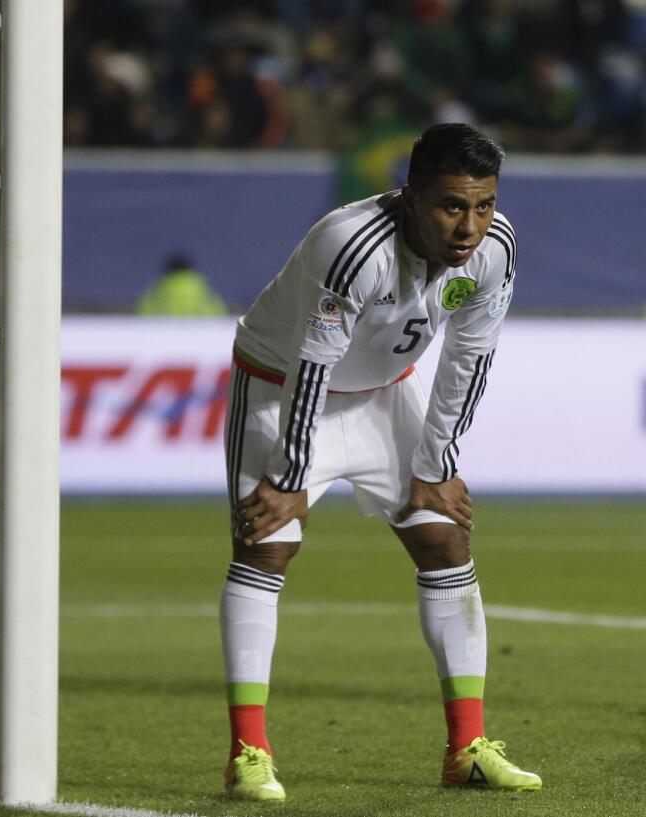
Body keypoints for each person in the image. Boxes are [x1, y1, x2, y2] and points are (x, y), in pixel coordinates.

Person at [219, 123, 539, 801]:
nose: (469, 226)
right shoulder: (352, 247)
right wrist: (291, 474)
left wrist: (437, 461)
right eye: (452, 206)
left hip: (382, 396)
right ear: (411, 197)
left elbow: (468, 359)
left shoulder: (494, 249)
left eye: (483, 206)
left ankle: (467, 749)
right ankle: (248, 752)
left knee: (445, 536)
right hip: (281, 392)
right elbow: (313, 362)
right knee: (266, 543)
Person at [136, 254, 227, 316]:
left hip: (164, 335)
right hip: (198, 335)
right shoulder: (199, 285)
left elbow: (143, 311)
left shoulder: (160, 286)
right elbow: (218, 310)